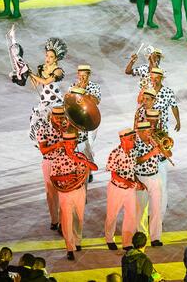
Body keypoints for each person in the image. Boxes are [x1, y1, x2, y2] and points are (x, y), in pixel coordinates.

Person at [52, 131, 97, 260]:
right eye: (68, 143)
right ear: (64, 144)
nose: (71, 145)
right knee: (66, 220)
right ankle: (69, 247)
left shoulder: (80, 156)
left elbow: (94, 168)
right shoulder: (58, 158)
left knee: (79, 217)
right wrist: (69, 176)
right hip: (65, 192)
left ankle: (77, 241)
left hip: (79, 191)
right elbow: (54, 177)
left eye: (73, 143)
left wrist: (79, 159)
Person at [133, 122, 170, 247]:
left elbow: (168, 155)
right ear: (141, 132)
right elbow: (136, 161)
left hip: (154, 177)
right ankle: (141, 235)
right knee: (141, 210)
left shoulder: (154, 142)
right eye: (148, 132)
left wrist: (163, 148)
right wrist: (151, 153)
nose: (150, 134)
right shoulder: (135, 143)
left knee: (156, 209)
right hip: (141, 178)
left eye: (150, 131)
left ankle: (156, 237)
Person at [105, 129, 140, 251]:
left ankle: (127, 243)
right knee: (112, 215)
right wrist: (126, 182)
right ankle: (109, 239)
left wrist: (137, 182)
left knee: (131, 216)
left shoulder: (133, 152)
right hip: (116, 189)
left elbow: (133, 171)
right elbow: (113, 175)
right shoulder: (114, 153)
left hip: (130, 189)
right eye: (131, 139)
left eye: (134, 138)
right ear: (123, 139)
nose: (133, 141)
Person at [28, 38, 67, 142]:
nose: (48, 58)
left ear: (56, 59)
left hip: (55, 102)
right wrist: (27, 73)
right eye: (47, 56)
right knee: (37, 122)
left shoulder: (58, 71)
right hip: (44, 101)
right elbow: (35, 84)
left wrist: (32, 74)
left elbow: (46, 82)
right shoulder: (42, 68)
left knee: (52, 125)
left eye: (51, 57)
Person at [36, 105, 65, 230]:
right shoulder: (43, 128)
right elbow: (43, 150)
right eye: (57, 118)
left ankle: (64, 222)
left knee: (64, 192)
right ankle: (54, 220)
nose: (59, 120)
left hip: (63, 162)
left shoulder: (67, 127)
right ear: (52, 116)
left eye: (61, 118)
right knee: (51, 193)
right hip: (49, 162)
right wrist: (57, 145)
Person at [70, 65, 101, 164]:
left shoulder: (95, 86)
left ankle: (89, 167)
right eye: (80, 75)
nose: (82, 78)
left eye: (84, 76)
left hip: (91, 118)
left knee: (89, 144)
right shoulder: (73, 87)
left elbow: (97, 101)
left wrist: (85, 93)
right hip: (78, 119)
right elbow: (69, 102)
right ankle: (82, 165)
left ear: (89, 75)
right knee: (80, 144)